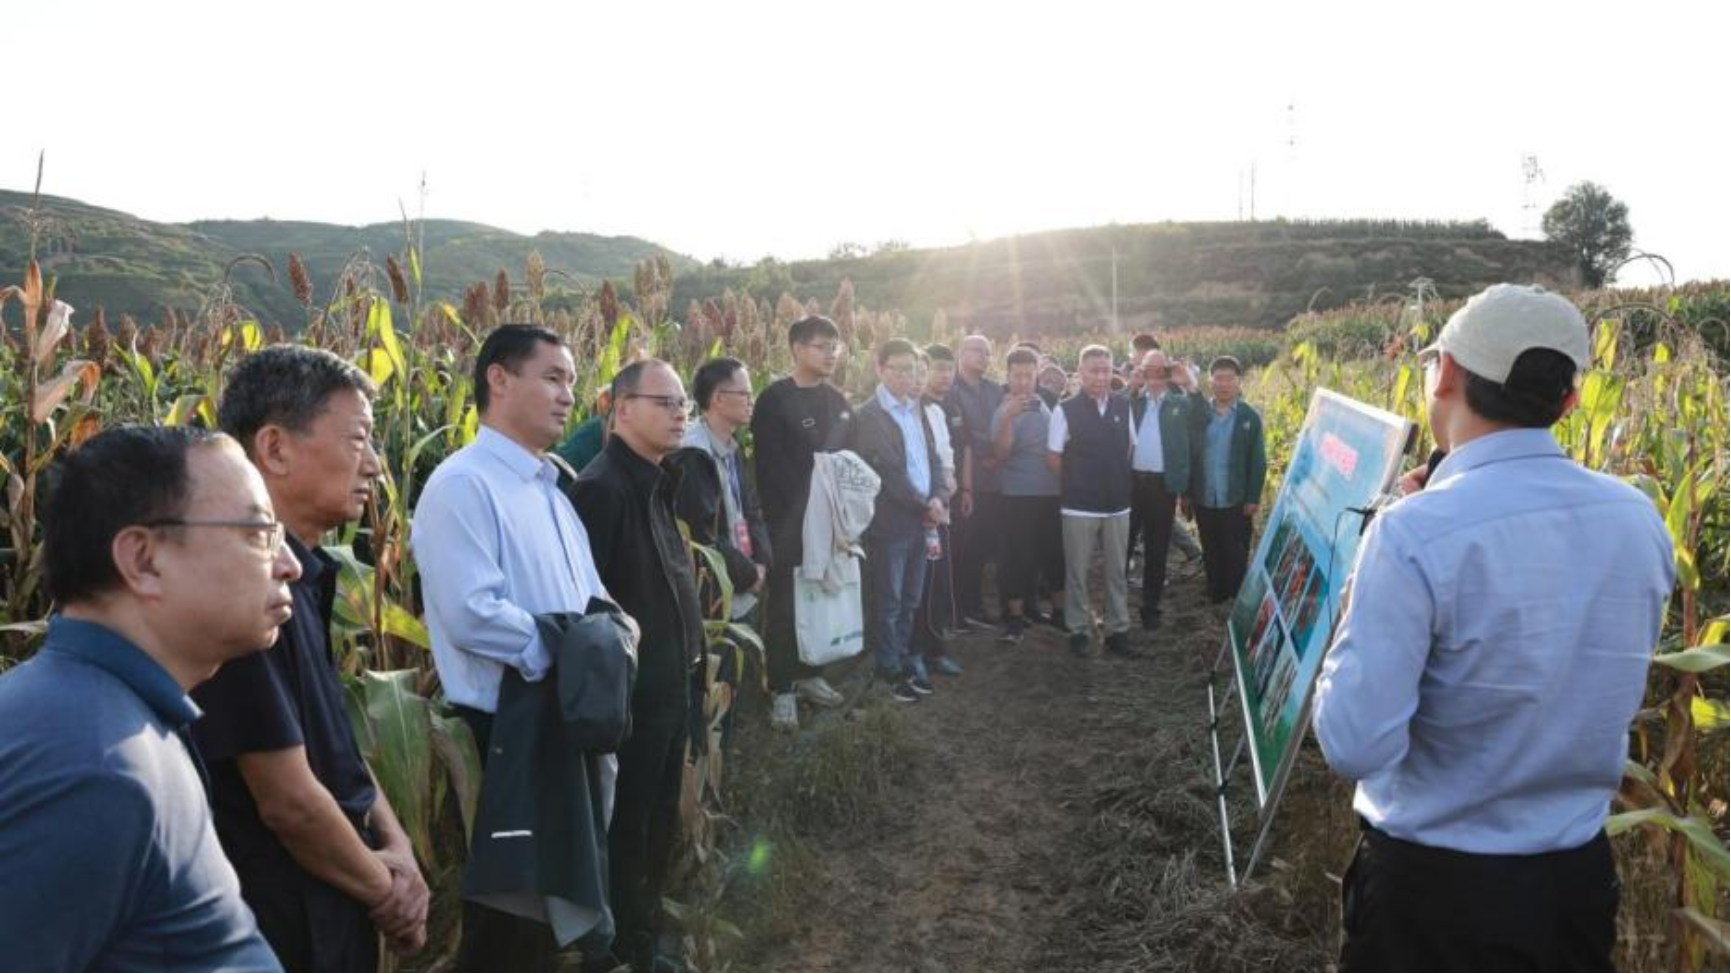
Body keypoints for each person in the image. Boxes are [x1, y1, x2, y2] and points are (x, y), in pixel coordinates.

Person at [1312, 283, 1675, 972]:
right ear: (1569, 400)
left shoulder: (1411, 533)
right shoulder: (1637, 519)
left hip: (1432, 899)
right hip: (1573, 888)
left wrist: (1368, 579)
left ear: (1446, 371)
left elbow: (1354, 742)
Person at [0, 426, 293, 972]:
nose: (288, 564)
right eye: (260, 533)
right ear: (143, 560)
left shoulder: (105, 721)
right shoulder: (95, 768)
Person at [194, 347, 428, 971]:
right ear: (274, 448)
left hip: (338, 894)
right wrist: (388, 893)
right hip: (285, 920)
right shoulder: (241, 593)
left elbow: (334, 746)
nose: (374, 464)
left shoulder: (305, 575)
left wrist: (397, 846)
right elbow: (288, 801)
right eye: (358, 440)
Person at [412, 324, 611, 972]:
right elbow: (471, 614)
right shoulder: (462, 485)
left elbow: (591, 595)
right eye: (552, 378)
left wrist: (611, 632)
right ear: (498, 379)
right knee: (510, 917)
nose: (567, 395)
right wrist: (570, 647)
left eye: (570, 381)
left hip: (559, 716)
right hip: (504, 730)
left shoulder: (551, 489)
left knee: (548, 910)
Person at [570, 359, 707, 973]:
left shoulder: (655, 478)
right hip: (635, 699)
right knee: (631, 824)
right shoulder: (602, 490)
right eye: (665, 402)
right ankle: (630, 946)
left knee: (655, 819)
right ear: (622, 409)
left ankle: (644, 932)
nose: (680, 414)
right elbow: (591, 606)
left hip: (669, 686)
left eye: (684, 405)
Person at [749, 315, 853, 731]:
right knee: (785, 606)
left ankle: (811, 675)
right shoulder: (774, 400)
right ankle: (781, 688)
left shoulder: (838, 402)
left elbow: (849, 463)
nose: (830, 354)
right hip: (787, 524)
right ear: (796, 349)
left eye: (834, 347)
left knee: (820, 600)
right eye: (821, 346)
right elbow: (769, 471)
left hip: (830, 523)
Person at [851, 339, 947, 703]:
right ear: (880, 369)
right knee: (889, 603)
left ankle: (904, 661)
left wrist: (938, 496)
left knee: (910, 599)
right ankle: (888, 671)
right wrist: (926, 505)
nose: (908, 377)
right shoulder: (870, 415)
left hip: (922, 518)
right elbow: (889, 471)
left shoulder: (916, 409)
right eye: (899, 369)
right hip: (891, 524)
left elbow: (932, 459)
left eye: (912, 369)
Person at [1046, 345, 1138, 658]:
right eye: (1093, 370)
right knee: (1077, 571)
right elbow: (1053, 457)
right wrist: (1078, 482)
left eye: (1106, 370)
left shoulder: (1123, 406)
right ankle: (1079, 630)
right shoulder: (1065, 410)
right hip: (1079, 505)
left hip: (1117, 504)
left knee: (1116, 571)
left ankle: (1117, 630)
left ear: (1113, 371)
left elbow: (1129, 447)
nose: (1100, 376)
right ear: (1081, 372)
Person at [673, 356, 771, 620]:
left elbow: (750, 509)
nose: (751, 400)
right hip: (716, 599)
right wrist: (749, 575)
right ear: (718, 398)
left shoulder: (731, 446)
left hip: (744, 584)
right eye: (745, 394)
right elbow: (704, 534)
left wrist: (762, 561)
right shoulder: (693, 454)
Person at [1125, 349, 1205, 632]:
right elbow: (1111, 412)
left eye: (1161, 371)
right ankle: (1116, 606)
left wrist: (1189, 384)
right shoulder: (1133, 400)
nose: (1155, 377)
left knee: (1157, 551)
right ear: (1142, 371)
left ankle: (1150, 608)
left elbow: (1203, 418)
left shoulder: (1179, 402)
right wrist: (1131, 386)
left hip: (1162, 487)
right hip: (1131, 484)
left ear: (1168, 372)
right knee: (1122, 546)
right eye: (1149, 370)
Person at [992, 347, 1066, 643]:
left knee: (1053, 554)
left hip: (1051, 493)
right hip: (1018, 495)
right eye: (1017, 375)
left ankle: (1059, 612)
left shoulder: (1044, 402)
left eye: (1028, 375)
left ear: (1037, 375)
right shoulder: (1003, 410)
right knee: (1017, 557)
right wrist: (1008, 419)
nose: (1023, 381)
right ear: (1008, 376)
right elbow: (1001, 453)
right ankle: (1014, 620)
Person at [1186, 356, 1266, 603]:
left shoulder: (1248, 416)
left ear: (1238, 382)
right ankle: (1216, 592)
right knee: (1210, 546)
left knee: (1236, 548)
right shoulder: (1199, 413)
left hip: (1235, 495)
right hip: (1205, 494)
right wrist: (1186, 493)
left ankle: (1236, 595)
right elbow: (1188, 453)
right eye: (1218, 378)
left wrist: (1252, 497)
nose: (1223, 384)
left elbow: (1257, 460)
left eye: (1229, 378)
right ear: (1210, 381)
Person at [947, 334, 1006, 628]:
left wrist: (997, 456)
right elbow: (961, 436)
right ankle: (960, 608)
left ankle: (974, 604)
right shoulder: (950, 390)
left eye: (988, 352)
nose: (985, 357)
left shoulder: (995, 389)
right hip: (964, 481)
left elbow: (1004, 425)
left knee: (982, 547)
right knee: (963, 547)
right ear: (961, 353)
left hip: (994, 479)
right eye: (978, 351)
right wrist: (984, 457)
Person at [913, 348, 964, 677]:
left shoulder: (934, 411)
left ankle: (935, 650)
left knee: (937, 582)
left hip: (936, 512)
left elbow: (946, 462)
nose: (917, 379)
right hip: (905, 513)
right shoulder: (883, 415)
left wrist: (941, 497)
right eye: (913, 372)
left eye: (921, 372)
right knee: (911, 590)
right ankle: (911, 653)